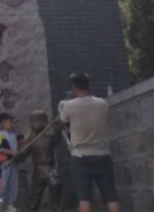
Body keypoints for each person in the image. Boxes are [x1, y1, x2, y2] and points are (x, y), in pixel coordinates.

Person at [59, 73, 121, 212]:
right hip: (103, 154)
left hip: (80, 156)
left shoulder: (69, 105)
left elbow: (63, 123)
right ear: (88, 85)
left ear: (74, 87)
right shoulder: (102, 103)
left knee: (84, 198)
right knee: (111, 196)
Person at [21, 111, 62, 211]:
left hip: (49, 168)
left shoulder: (49, 138)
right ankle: (32, 208)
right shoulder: (30, 140)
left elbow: (57, 138)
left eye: (35, 121)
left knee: (56, 185)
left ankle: (55, 206)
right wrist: (17, 154)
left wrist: (57, 128)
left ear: (44, 122)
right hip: (38, 170)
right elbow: (23, 155)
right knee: (35, 194)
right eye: (31, 121)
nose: (32, 124)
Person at [0, 113, 24, 212]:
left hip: (14, 164)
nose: (13, 125)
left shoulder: (17, 135)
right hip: (5, 164)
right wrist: (11, 152)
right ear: (3, 123)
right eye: (11, 122)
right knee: (3, 184)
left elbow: (22, 146)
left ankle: (10, 205)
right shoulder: (0, 135)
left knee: (14, 184)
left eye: (14, 123)